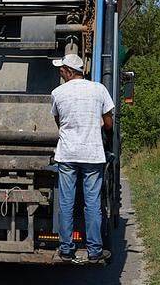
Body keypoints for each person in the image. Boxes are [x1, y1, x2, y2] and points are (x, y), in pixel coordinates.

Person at [50, 53, 114, 263]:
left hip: (68, 154)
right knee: (92, 203)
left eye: (62, 69)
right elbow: (108, 123)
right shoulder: (99, 89)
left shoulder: (57, 93)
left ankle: (66, 249)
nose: (60, 71)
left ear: (69, 71)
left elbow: (59, 122)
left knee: (66, 203)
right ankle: (95, 251)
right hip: (92, 154)